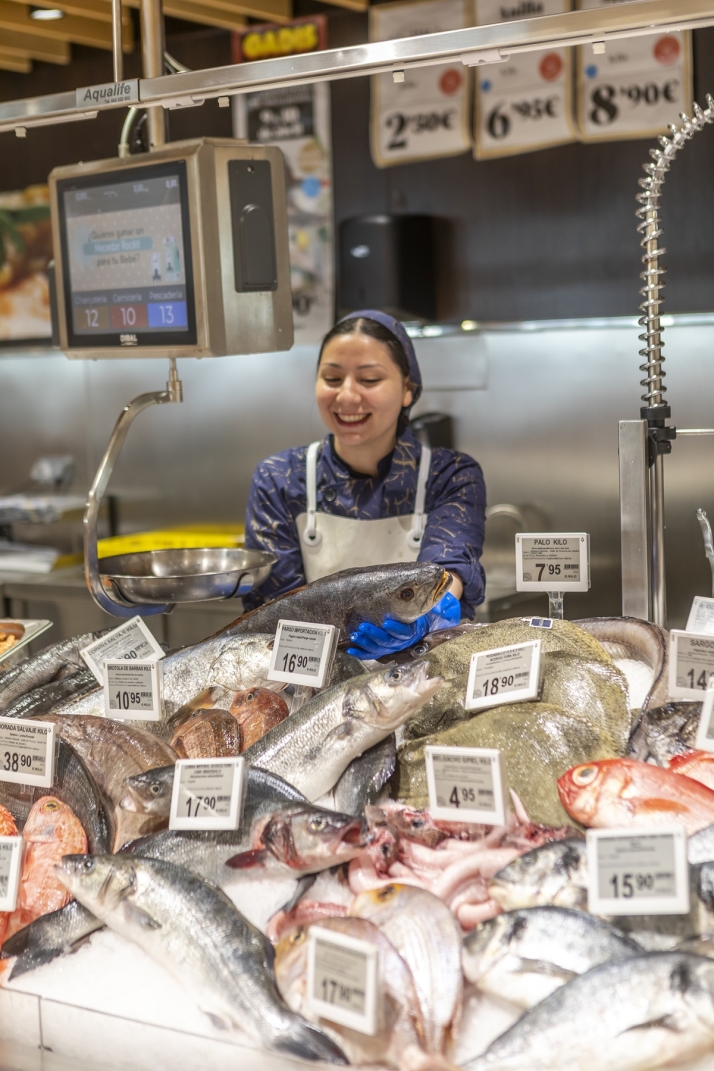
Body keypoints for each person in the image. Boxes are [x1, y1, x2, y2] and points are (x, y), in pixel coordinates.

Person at [243, 310, 486, 658]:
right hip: (309, 684)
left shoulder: (450, 475)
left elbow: (450, 565)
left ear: (407, 390)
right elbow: (276, 606)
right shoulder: (280, 478)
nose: (346, 396)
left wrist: (431, 613)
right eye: (331, 378)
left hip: (422, 673)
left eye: (369, 380)